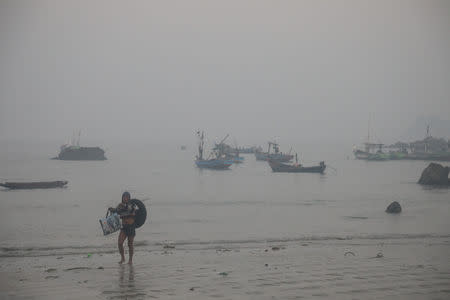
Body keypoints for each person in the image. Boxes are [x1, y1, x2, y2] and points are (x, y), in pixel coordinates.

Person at [109, 192, 137, 264]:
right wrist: (112, 209)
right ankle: (123, 258)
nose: (125, 198)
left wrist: (124, 206)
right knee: (120, 243)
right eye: (124, 197)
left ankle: (130, 260)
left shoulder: (132, 204)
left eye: (127, 197)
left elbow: (132, 210)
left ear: (129, 198)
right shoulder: (120, 205)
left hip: (131, 226)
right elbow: (116, 211)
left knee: (130, 244)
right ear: (122, 198)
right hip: (124, 227)